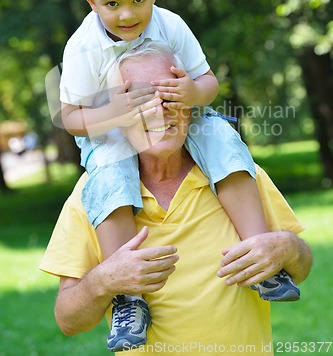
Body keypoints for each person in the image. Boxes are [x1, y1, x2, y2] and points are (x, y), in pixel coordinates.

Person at [57, 0, 298, 351]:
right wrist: (115, 112)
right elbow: (69, 118)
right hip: (110, 126)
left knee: (223, 134)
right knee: (111, 175)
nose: (128, 14)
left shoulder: (171, 24)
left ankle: (260, 256)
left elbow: (208, 82)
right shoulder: (82, 48)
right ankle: (127, 298)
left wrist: (191, 94)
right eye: (112, 4)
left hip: (189, 112)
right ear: (91, 1)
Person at [40, 43, 312, 355]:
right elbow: (67, 320)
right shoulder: (93, 194)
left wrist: (288, 248)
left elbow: (301, 267)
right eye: (140, 101)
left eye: (170, 95)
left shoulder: (237, 175)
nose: (159, 110)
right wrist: (103, 281)